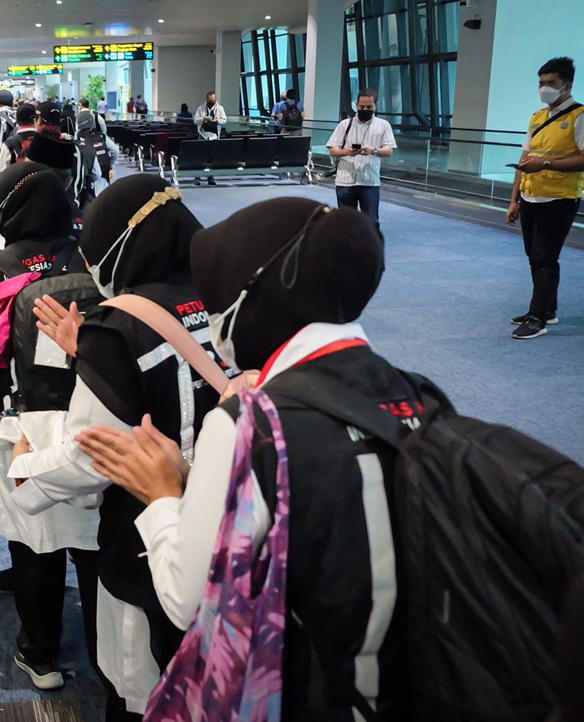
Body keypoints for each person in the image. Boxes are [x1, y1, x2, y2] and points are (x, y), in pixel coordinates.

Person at [78, 197, 411, 720]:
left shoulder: (247, 425)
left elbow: (186, 598)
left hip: (302, 688)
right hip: (405, 678)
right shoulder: (417, 396)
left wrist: (166, 496)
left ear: (255, 300)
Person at [10, 175, 222, 720]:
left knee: (139, 681)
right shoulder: (222, 298)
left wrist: (25, 467)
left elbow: (91, 455)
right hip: (225, 508)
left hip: (147, 529)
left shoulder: (119, 325)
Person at [0, 162, 99, 692]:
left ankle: (41, 653)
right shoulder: (95, 253)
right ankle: (108, 653)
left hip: (25, 426)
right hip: (100, 415)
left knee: (36, 543)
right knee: (95, 540)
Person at [506, 56, 583, 340]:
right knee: (534, 256)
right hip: (531, 196)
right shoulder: (538, 117)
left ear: (567, 84)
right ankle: (547, 309)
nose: (544, 88)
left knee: (544, 257)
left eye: (551, 83)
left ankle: (538, 318)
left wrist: (546, 165)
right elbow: (524, 158)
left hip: (560, 198)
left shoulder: (579, 116)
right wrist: (514, 199)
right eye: (541, 83)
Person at [327, 88, 397, 225]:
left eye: (369, 107)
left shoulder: (383, 125)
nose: (365, 109)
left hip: (370, 182)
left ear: (376, 105)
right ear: (356, 105)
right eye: (361, 106)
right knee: (346, 223)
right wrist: (348, 152)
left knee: (371, 222)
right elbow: (332, 149)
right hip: (345, 181)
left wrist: (373, 151)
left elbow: (389, 151)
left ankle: (369, 246)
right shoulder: (344, 125)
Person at [76, 110, 118, 197]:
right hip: (104, 172)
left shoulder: (78, 137)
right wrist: (111, 163)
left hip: (89, 176)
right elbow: (115, 150)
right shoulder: (102, 136)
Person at [0, 102, 39, 175]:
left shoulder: (10, 143)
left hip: (18, 184)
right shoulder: (45, 139)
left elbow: (0, 171)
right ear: (35, 119)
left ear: (17, 121)